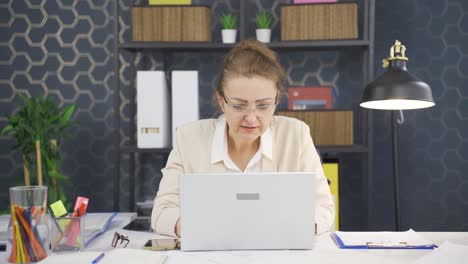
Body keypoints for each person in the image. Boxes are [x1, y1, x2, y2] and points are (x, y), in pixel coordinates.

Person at [151, 39, 335, 237]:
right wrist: (199, 228)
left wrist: (295, 227)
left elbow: (323, 208)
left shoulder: (296, 135)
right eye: (239, 106)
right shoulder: (189, 138)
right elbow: (162, 213)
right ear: (221, 101)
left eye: (263, 106)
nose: (251, 118)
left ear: (276, 100)